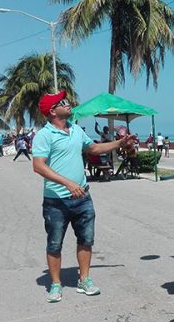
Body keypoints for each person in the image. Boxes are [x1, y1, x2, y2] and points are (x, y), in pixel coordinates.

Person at [32, 91, 137, 303]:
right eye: (62, 102)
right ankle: (55, 284)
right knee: (54, 244)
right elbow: (38, 166)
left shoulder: (76, 130)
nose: (68, 103)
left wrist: (119, 143)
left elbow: (94, 148)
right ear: (53, 111)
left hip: (82, 198)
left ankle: (84, 279)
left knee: (86, 240)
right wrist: (68, 183)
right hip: (56, 201)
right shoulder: (44, 135)